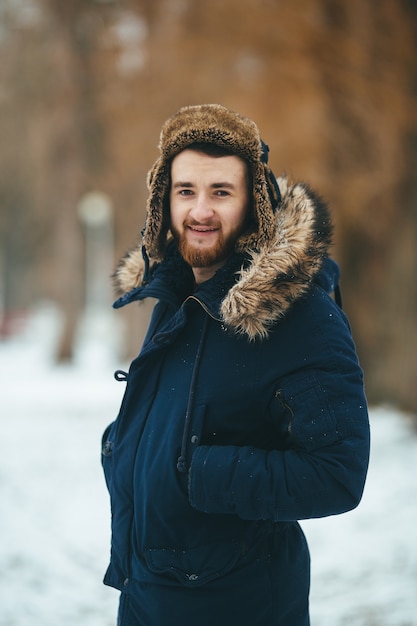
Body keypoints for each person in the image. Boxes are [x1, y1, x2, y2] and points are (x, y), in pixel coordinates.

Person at [101, 104, 370, 626]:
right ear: (164, 201)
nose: (200, 210)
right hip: (146, 600)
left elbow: (338, 472)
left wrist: (199, 473)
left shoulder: (298, 315)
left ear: (252, 204)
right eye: (186, 192)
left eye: (221, 192)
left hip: (242, 605)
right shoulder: (174, 298)